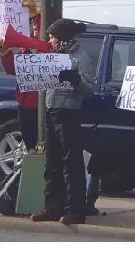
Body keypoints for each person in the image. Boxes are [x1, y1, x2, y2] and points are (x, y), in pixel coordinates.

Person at [28, 19, 97, 225]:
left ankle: (75, 208)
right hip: (52, 112)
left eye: (52, 38)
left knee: (71, 165)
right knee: (53, 164)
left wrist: (76, 80)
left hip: (69, 115)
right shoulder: (53, 56)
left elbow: (89, 89)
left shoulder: (81, 58)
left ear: (64, 39)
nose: (50, 41)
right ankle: (53, 205)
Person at [0, 0, 44, 151]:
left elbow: (40, 35)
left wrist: (35, 15)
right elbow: (13, 69)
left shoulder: (41, 44)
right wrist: (5, 54)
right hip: (26, 104)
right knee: (30, 142)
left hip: (41, 103)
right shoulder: (25, 48)